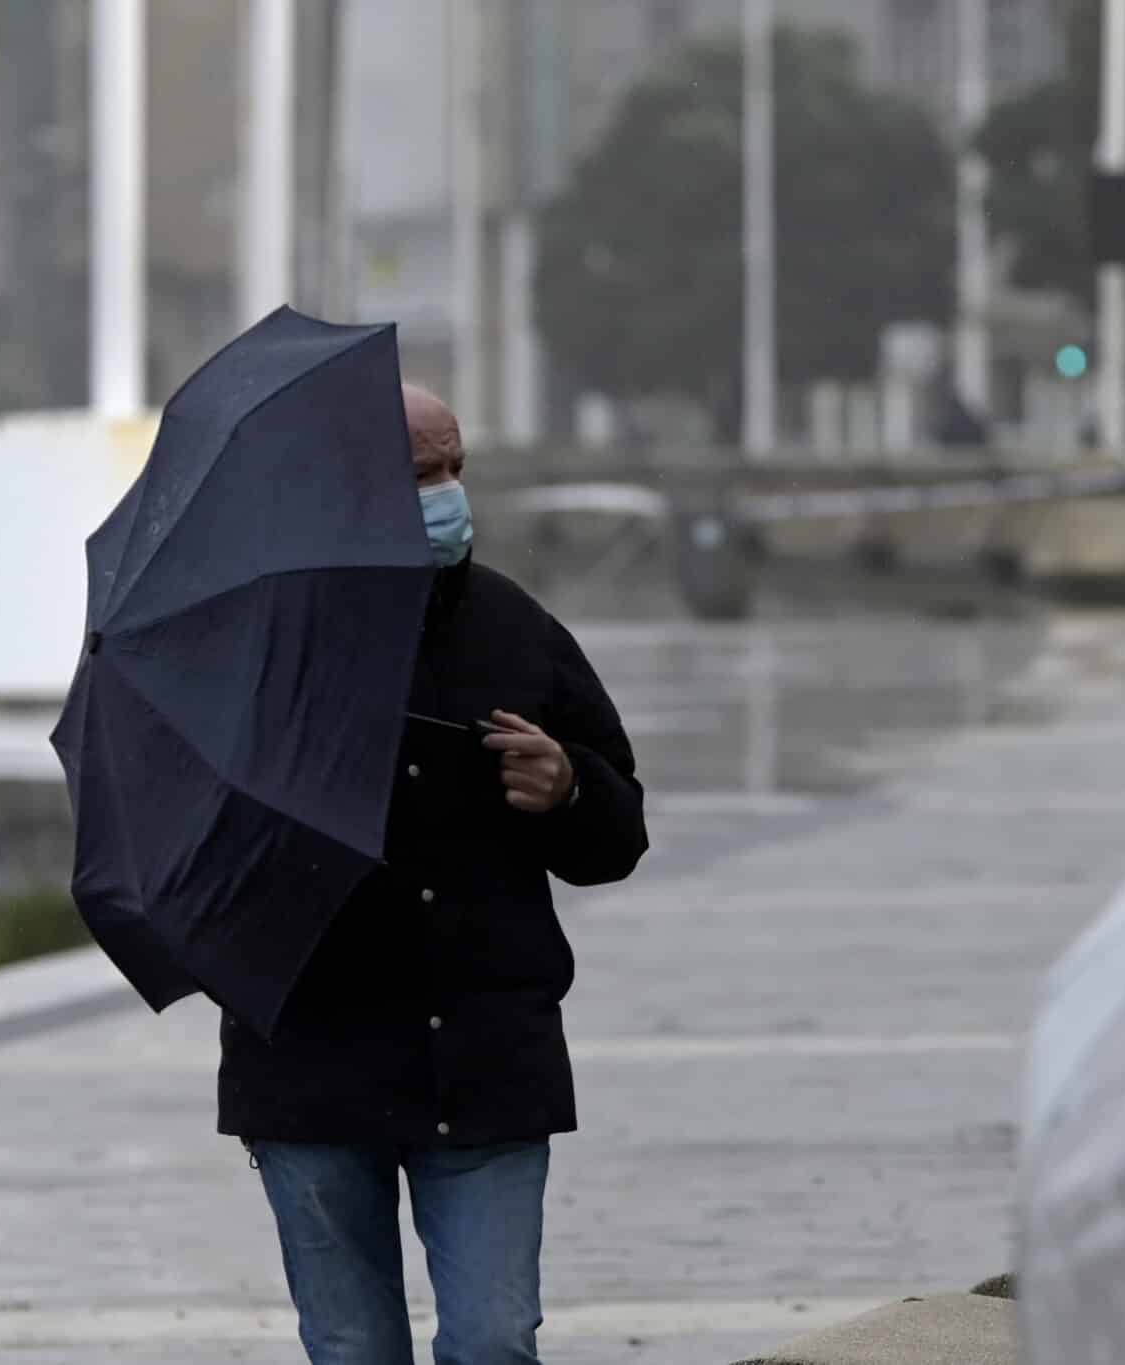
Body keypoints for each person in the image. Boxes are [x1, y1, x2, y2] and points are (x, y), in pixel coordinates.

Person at [219, 382, 648, 1365]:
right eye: (420, 475)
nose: (446, 492)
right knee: (351, 1347)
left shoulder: (515, 629)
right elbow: (206, 857)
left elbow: (616, 836)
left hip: (486, 1061)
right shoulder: (269, 642)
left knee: (494, 1343)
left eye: (454, 468)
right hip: (310, 1071)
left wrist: (569, 788)